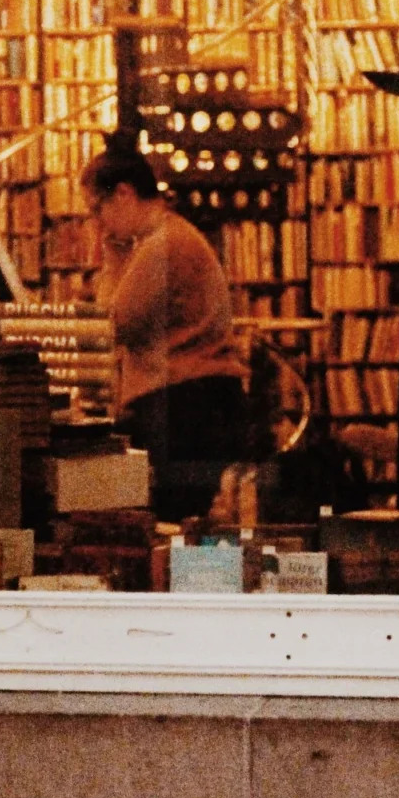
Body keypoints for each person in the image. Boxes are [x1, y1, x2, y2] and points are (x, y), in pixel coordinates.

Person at [84, 140, 251, 522]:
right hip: (195, 403)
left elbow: (113, 324)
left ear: (124, 193)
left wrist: (112, 258)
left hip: (184, 408)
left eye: (97, 209)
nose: (98, 223)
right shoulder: (165, 238)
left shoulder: (162, 245)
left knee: (172, 527)